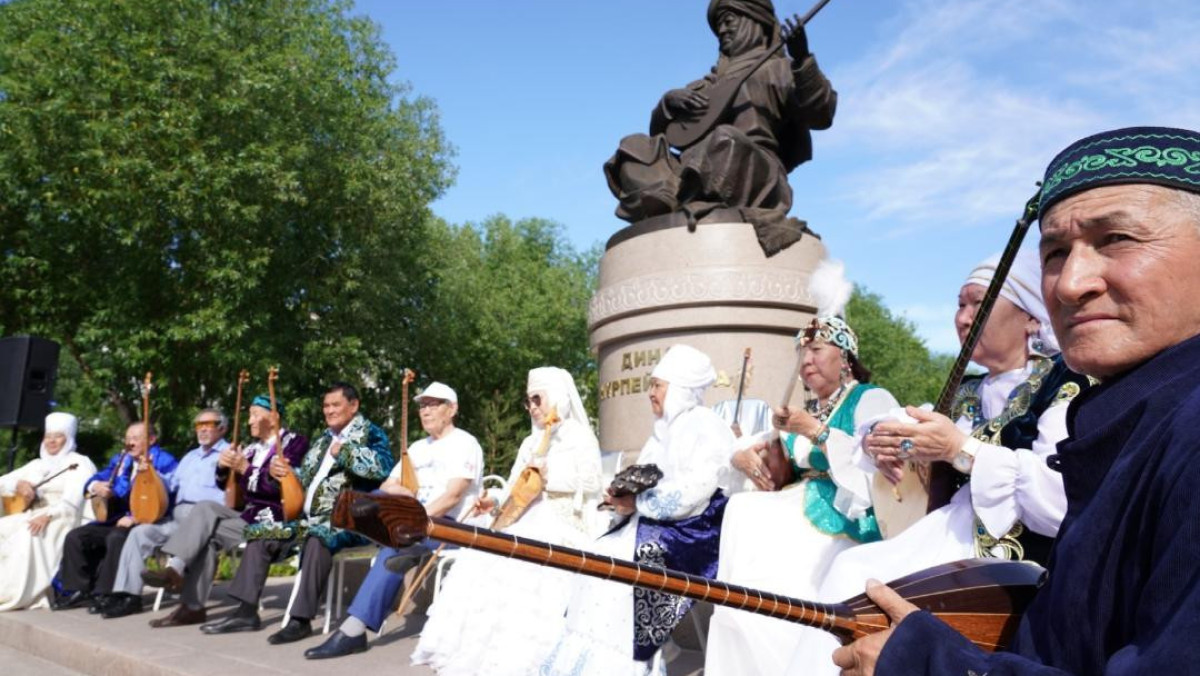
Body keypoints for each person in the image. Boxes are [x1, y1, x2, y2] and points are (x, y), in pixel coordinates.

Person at [832, 126, 1200, 675]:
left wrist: (926, 664)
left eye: (1117, 238)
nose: (1070, 282)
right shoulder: (1135, 409)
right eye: (1054, 252)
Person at [782, 247, 1090, 675]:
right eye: (959, 305)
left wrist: (960, 450)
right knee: (850, 570)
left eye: (977, 303)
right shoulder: (965, 391)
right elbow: (891, 424)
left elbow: (1058, 502)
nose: (963, 318)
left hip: (1012, 558)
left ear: (1031, 317)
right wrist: (880, 442)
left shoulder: (1065, 384)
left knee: (857, 580)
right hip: (945, 536)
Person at [706, 305, 901, 674]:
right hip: (797, 504)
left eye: (817, 349)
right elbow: (759, 457)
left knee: (758, 543)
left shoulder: (870, 399)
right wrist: (746, 456)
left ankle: (784, 651)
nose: (806, 359)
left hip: (847, 517)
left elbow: (878, 470)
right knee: (742, 510)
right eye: (802, 351)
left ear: (845, 357)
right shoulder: (805, 410)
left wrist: (814, 430)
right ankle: (747, 636)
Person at [542, 344, 736, 674]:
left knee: (624, 571)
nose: (651, 393)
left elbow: (695, 492)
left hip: (691, 533)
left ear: (680, 389)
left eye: (658, 385)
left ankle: (630, 663)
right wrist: (619, 498)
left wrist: (639, 502)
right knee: (598, 553)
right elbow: (642, 479)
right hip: (655, 524)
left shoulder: (706, 425)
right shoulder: (662, 432)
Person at [605, 0, 837, 255]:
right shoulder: (709, 84)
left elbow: (821, 114)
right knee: (634, 147)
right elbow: (667, 135)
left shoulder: (778, 69)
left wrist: (802, 59)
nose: (723, 30)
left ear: (754, 21)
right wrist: (668, 103)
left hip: (752, 168)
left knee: (725, 140)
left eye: (729, 21)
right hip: (691, 169)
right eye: (719, 25)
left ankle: (681, 199)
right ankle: (675, 199)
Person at [411, 368, 604, 674]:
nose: (534, 407)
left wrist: (548, 478)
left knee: (522, 565)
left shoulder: (579, 437)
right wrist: (494, 500)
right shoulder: (531, 442)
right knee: (482, 555)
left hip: (565, 520)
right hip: (524, 518)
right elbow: (514, 486)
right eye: (528, 402)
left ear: (557, 396)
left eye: (538, 398)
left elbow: (593, 482)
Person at [200, 382, 393, 644]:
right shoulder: (323, 438)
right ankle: (245, 613)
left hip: (350, 520)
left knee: (318, 536)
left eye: (336, 405)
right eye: (326, 405)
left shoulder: (371, 433)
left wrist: (345, 452)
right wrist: (283, 473)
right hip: (305, 519)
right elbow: (305, 479)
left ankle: (300, 620)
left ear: (354, 405)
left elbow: (383, 469)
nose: (329, 410)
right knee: (260, 534)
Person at [302, 381, 482, 659]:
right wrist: (398, 492)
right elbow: (388, 485)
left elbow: (453, 495)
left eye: (434, 404)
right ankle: (345, 524)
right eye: (422, 405)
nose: (426, 411)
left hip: (450, 525)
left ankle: (353, 630)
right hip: (412, 525)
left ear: (452, 409)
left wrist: (415, 520)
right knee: (371, 498)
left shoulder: (465, 443)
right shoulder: (418, 448)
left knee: (398, 543)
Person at [140, 396, 308, 627]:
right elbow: (232, 492)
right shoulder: (250, 449)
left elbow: (281, 488)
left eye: (255, 414)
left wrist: (246, 470)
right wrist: (223, 467)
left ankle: (193, 599)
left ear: (274, 417)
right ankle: (185, 593)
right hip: (248, 517)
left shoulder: (293, 443)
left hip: (277, 519)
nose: (249, 421)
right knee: (205, 510)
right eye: (249, 414)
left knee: (207, 532)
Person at [98, 408, 230, 618]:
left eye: (209, 425)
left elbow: (232, 494)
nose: (203, 430)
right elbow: (170, 485)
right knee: (140, 533)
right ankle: (129, 596)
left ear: (222, 429)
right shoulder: (190, 457)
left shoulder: (229, 455)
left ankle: (173, 571)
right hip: (177, 519)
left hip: (207, 518)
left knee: (193, 514)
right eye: (199, 425)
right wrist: (150, 472)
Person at [53, 422, 177, 612]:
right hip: (116, 518)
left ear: (151, 440)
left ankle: (105, 592)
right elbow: (99, 476)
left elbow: (167, 496)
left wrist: (136, 516)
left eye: (136, 439)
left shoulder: (164, 461)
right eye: (127, 439)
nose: (130, 443)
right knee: (77, 536)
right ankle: (79, 590)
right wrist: (96, 486)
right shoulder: (122, 459)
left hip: (149, 519)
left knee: (116, 537)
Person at [0, 412, 97, 610]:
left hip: (61, 518)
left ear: (68, 438)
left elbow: (72, 502)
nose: (52, 441)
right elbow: (3, 482)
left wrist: (49, 515)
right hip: (32, 514)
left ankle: (16, 593)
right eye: (48, 436)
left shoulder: (79, 463)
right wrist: (18, 484)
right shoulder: (37, 465)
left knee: (29, 535)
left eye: (58, 436)